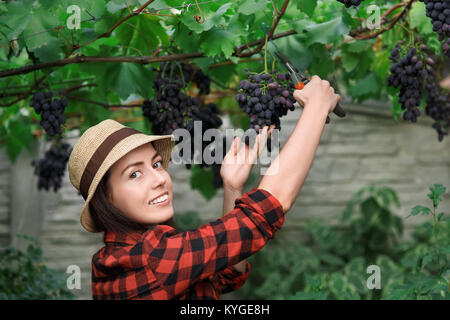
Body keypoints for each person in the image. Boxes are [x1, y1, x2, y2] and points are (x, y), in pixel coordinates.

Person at [67, 75, 340, 300]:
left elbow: (226, 275)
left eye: (157, 164)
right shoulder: (152, 258)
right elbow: (267, 208)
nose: (159, 179)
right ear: (106, 200)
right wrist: (315, 107)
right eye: (135, 174)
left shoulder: (119, 257)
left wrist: (232, 188)